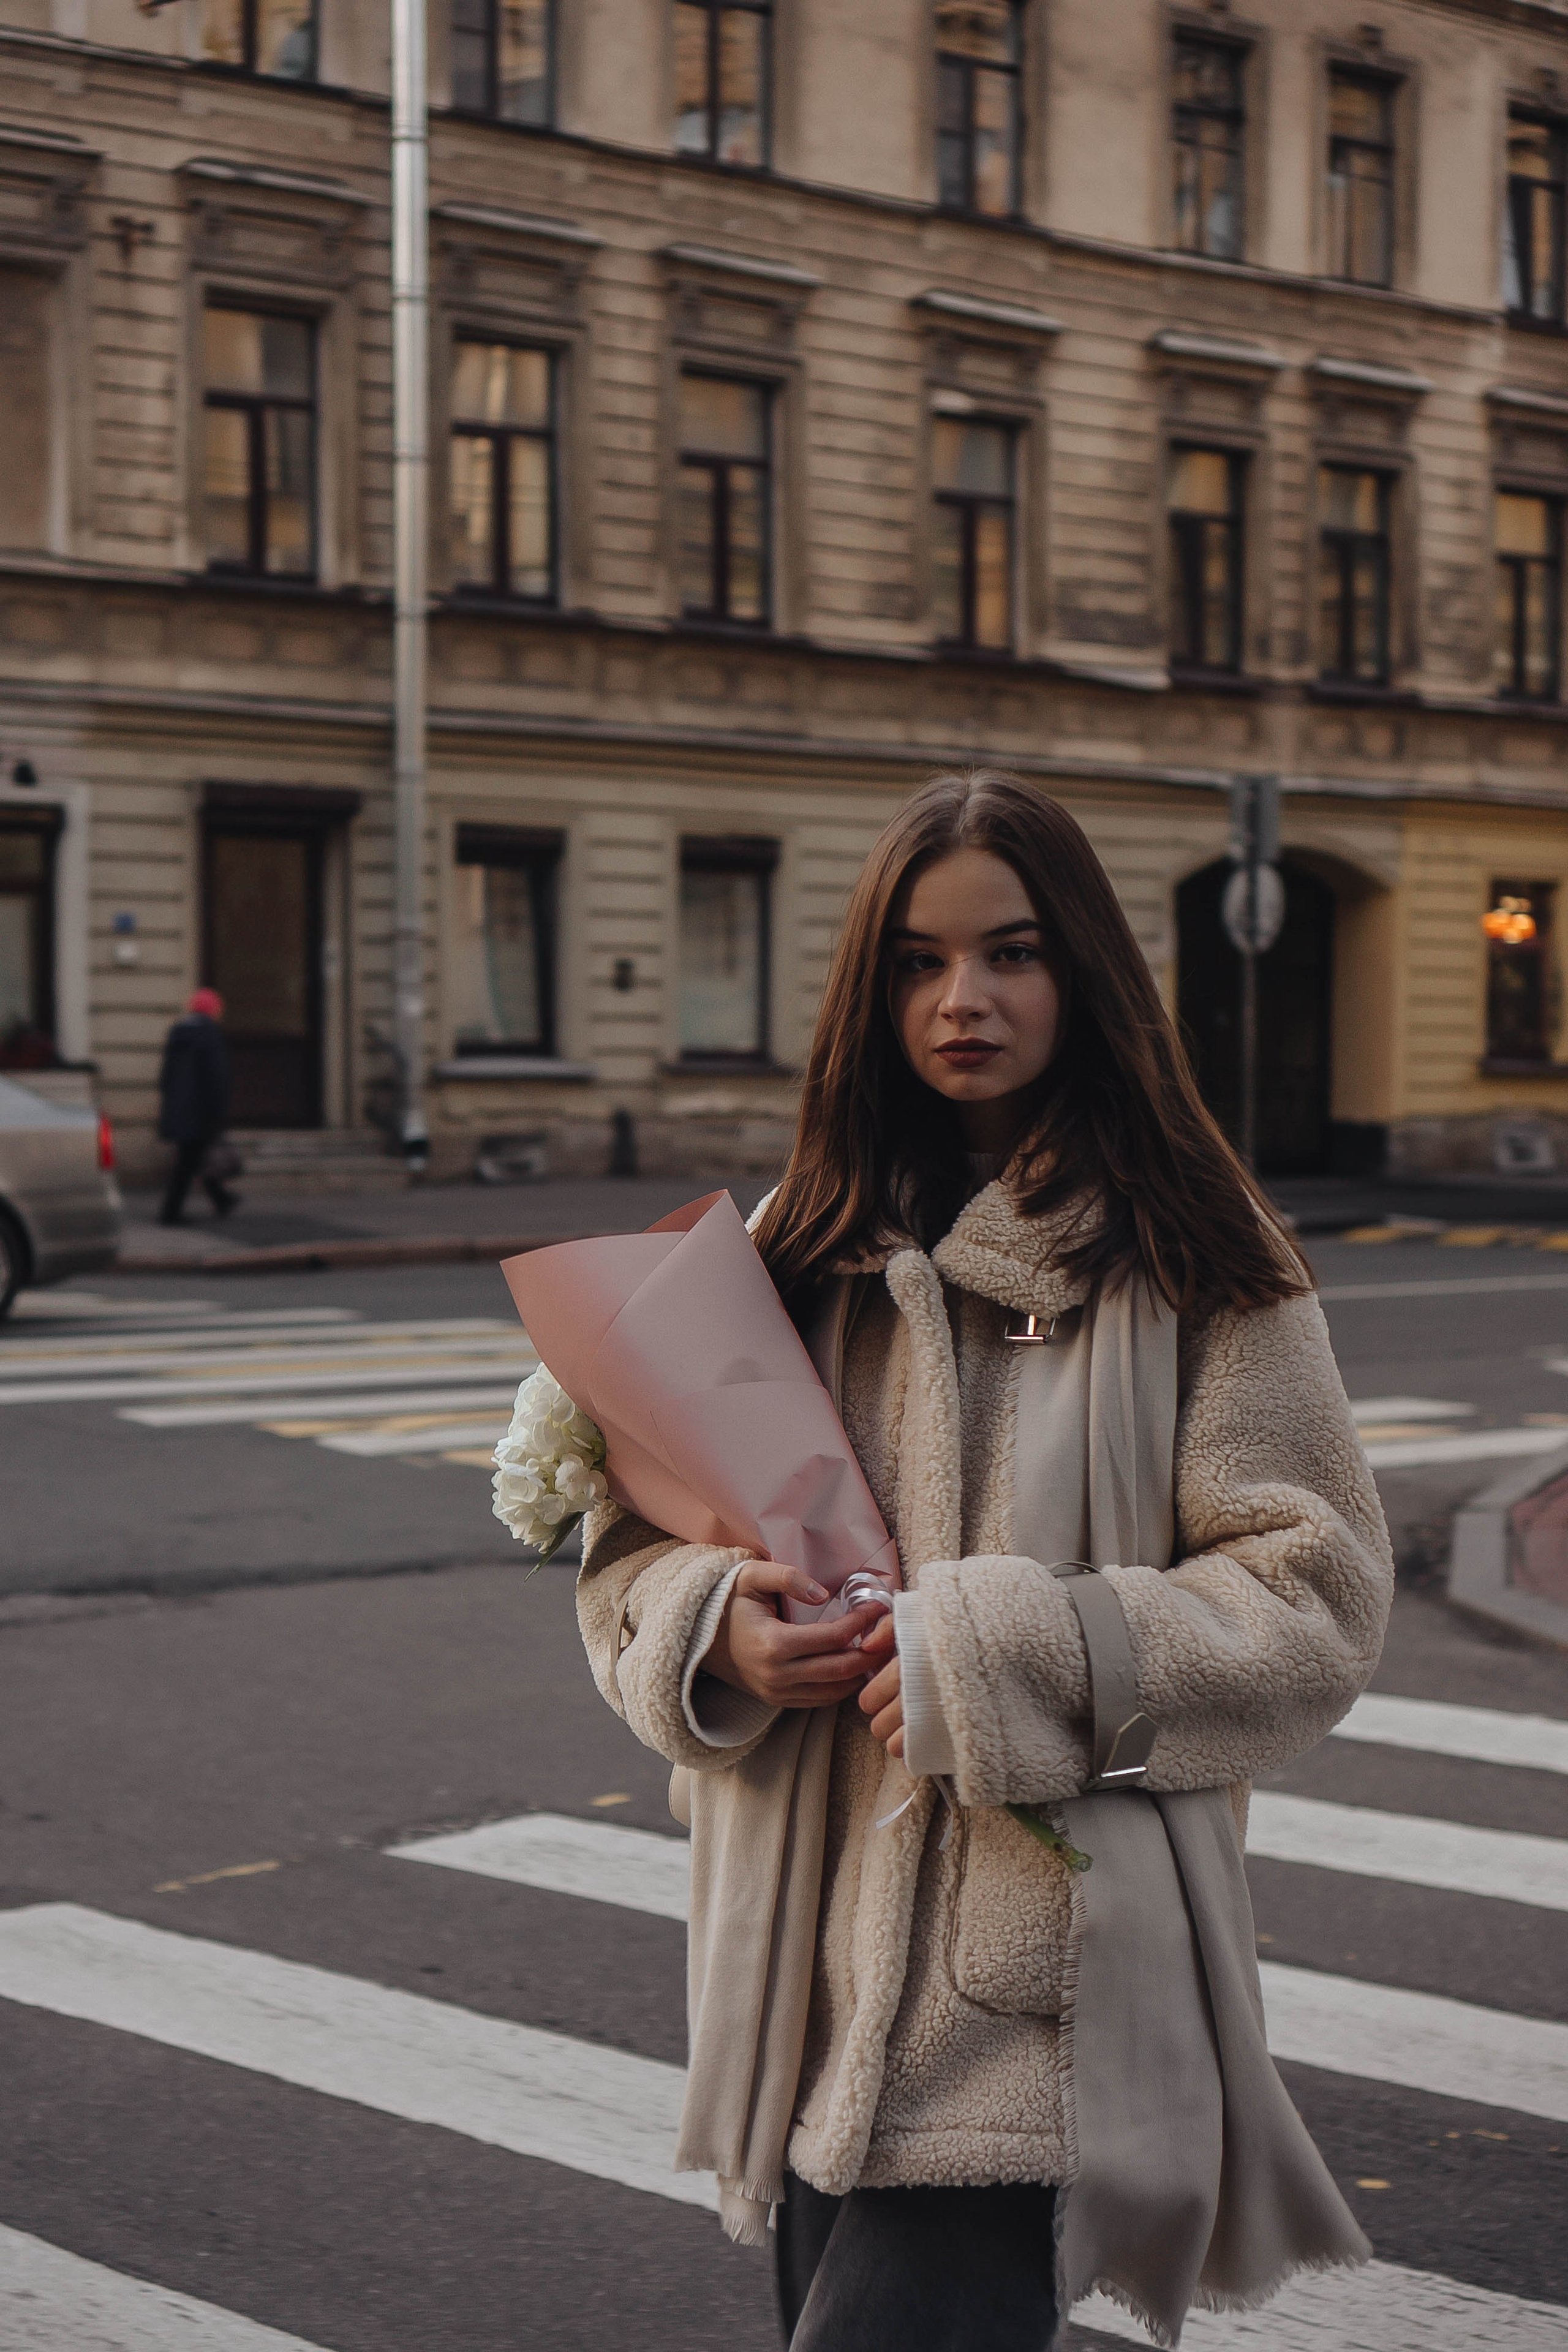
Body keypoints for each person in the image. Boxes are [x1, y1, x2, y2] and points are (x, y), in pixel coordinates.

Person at [577, 771, 1392, 2352]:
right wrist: (716, 1634)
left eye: (1012, 953)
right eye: (920, 960)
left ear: (1081, 972)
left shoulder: (1194, 1249)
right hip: (805, 1977)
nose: (965, 1000)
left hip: (1038, 1980)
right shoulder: (792, 1248)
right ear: (869, 987)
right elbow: (625, 1558)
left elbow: (1315, 1600)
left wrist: (991, 1653)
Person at [157, 988, 238, 1224]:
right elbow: (216, 1076)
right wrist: (219, 1111)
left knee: (194, 1159)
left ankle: (222, 1198)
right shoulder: (210, 1034)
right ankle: (170, 1214)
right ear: (212, 1010)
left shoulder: (178, 1032)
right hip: (200, 1111)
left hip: (178, 1110)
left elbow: (166, 1076)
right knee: (188, 1163)